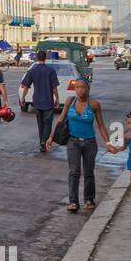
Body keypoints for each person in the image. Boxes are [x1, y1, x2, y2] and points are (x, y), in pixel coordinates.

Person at [47, 77, 107, 212]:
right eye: (77, 87)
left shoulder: (94, 104)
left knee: (88, 172)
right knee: (74, 171)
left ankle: (89, 199)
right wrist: (51, 136)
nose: (80, 90)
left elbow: (101, 125)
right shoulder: (70, 101)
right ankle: (73, 202)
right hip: (73, 141)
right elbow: (61, 119)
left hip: (90, 143)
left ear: (88, 89)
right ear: (74, 89)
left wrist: (108, 142)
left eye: (83, 87)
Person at [20, 50, 60, 152]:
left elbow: (26, 86)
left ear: (37, 58)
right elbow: (54, 87)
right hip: (48, 101)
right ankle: (44, 141)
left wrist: (23, 98)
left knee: (40, 123)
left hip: (37, 101)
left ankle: (42, 143)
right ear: (45, 58)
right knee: (48, 123)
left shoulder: (32, 71)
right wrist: (57, 98)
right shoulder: (51, 71)